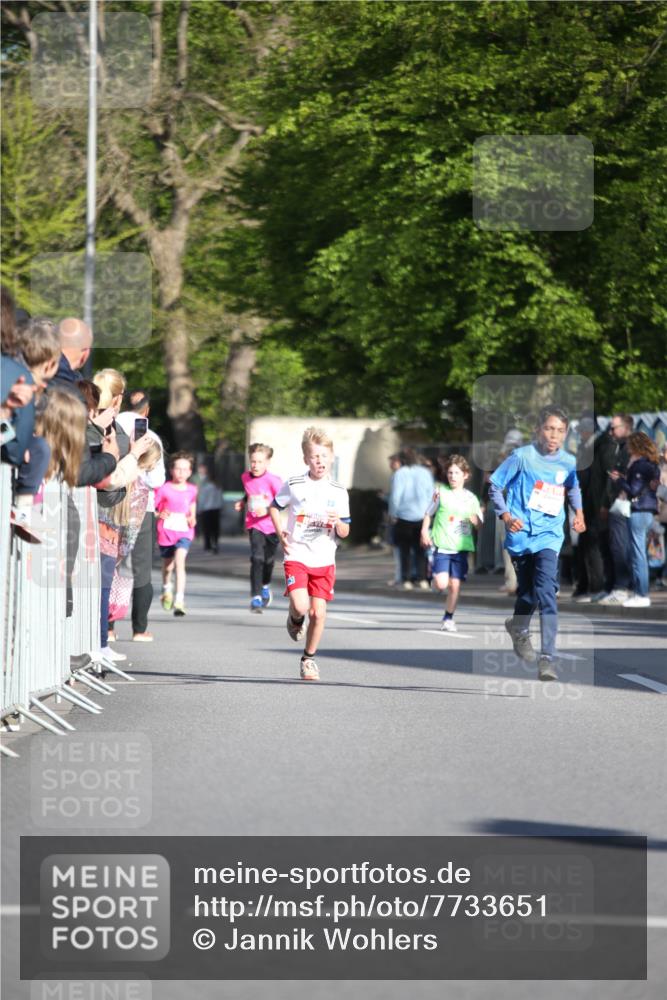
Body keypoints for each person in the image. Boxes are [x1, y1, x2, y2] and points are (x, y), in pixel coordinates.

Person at [489, 406, 585, 682]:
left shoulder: (567, 461)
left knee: (546, 594)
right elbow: (495, 485)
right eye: (549, 428)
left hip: (550, 536)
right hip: (521, 535)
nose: (554, 435)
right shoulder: (521, 456)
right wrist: (506, 515)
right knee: (529, 594)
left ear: (565, 434)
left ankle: (548, 659)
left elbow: (573, 487)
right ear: (538, 430)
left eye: (560, 431)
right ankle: (518, 627)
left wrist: (579, 512)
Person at [270, 426, 351, 681]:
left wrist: (339, 523)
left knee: (319, 613)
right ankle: (295, 618)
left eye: (324, 456)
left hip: (325, 558)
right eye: (315, 456)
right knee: (301, 605)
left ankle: (308, 659)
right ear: (306, 459)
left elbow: (346, 530)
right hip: (296, 554)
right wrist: (280, 530)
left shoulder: (339, 491)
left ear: (331, 458)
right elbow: (274, 507)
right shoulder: (294, 484)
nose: (320, 461)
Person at [116, 390, 166, 640]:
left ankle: (108, 628)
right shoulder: (150, 436)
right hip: (142, 508)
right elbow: (157, 480)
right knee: (141, 566)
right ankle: (139, 628)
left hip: (111, 502)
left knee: (112, 563)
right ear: (146, 411)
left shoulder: (112, 428)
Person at [421, 454, 482, 632]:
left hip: (461, 548)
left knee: (455, 585)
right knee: (441, 584)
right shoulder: (441, 492)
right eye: (450, 473)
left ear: (465, 475)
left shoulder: (471, 499)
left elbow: (480, 524)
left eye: (456, 473)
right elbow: (428, 513)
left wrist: (475, 521)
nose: (452, 476)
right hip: (442, 546)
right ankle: (434, 579)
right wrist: (424, 530)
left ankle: (448, 618)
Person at [609, 431, 660, 608]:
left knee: (637, 553)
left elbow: (633, 489)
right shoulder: (652, 464)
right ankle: (640, 592)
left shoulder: (639, 465)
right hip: (648, 510)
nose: (628, 449)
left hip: (639, 510)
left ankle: (641, 594)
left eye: (631, 445)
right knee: (640, 553)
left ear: (637, 446)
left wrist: (618, 481)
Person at [235, 443, 282, 613]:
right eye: (253, 461)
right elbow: (249, 492)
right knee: (256, 558)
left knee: (268, 561)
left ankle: (265, 586)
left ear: (268, 462)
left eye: (260, 462)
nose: (255, 465)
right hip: (254, 524)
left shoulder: (274, 481)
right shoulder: (245, 477)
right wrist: (243, 501)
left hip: (271, 525)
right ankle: (255, 597)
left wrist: (268, 509)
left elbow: (282, 503)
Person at [596, 414, 634, 604]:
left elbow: (623, 479)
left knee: (621, 548)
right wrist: (604, 503)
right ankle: (611, 585)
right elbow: (610, 480)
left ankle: (622, 587)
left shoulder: (630, 449)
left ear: (626, 428)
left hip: (624, 505)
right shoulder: (618, 447)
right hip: (612, 503)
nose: (610, 432)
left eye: (615, 428)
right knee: (610, 546)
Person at [155, 452, 197, 617]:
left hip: (184, 531)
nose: (181, 472)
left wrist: (193, 516)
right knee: (168, 566)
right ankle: (166, 588)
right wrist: (160, 514)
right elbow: (155, 507)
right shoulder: (164, 488)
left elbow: (192, 504)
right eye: (178, 469)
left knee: (180, 562)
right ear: (171, 470)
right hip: (166, 531)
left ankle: (179, 600)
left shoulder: (192, 489)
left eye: (185, 469)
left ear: (190, 472)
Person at [388, 447, 434, 589]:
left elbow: (396, 496)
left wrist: (393, 514)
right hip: (422, 515)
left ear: (402, 460)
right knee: (421, 549)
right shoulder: (426, 473)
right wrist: (430, 513)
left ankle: (406, 579)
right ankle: (422, 578)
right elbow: (431, 494)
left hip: (403, 515)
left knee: (404, 550)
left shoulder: (399, 474)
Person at [196, 462, 223, 554]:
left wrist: (199, 508)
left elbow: (202, 498)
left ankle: (208, 545)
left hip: (206, 509)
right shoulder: (218, 487)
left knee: (207, 528)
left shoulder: (206, 486)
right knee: (215, 528)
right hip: (216, 509)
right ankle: (215, 543)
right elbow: (220, 499)